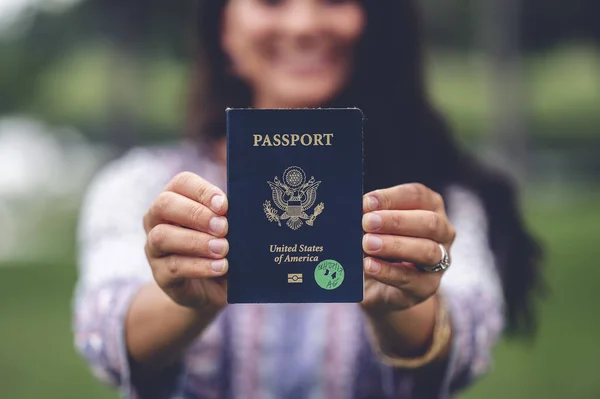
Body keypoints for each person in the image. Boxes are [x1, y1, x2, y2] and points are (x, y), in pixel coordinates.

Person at [73, 0, 542, 398]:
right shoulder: (141, 185)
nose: (303, 24)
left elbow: (465, 347)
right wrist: (189, 299)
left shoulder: (435, 196)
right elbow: (108, 335)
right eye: (271, 0)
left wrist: (404, 295)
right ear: (223, 29)